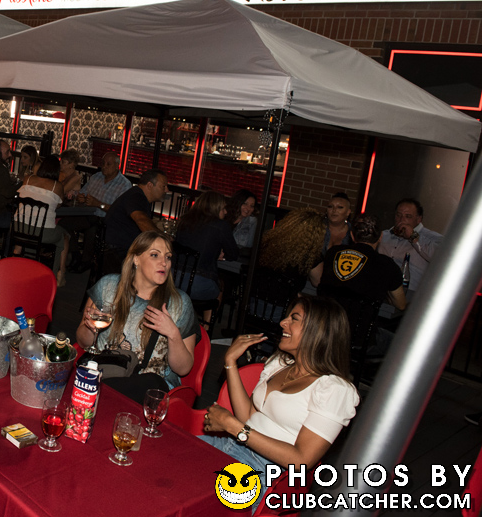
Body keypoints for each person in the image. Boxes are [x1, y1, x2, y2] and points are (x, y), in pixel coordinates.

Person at [202, 296, 360, 505]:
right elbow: (248, 417)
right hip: (230, 444)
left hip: (265, 471)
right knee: (170, 460)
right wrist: (230, 362)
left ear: (318, 330)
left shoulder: (334, 390)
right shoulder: (280, 364)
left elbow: (302, 460)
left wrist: (233, 427)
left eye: (294, 319)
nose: (283, 322)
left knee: (193, 498)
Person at [77, 231, 196, 398]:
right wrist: (90, 328)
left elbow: (183, 369)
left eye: (168, 257)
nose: (164, 263)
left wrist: (173, 334)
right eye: (155, 255)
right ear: (136, 259)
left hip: (148, 388)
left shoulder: (179, 303)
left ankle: (100, 392)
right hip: (107, 371)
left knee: (151, 382)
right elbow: (83, 342)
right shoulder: (108, 286)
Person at [311, 213, 407, 311]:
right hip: (360, 320)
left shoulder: (333, 253)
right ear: (380, 237)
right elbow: (401, 305)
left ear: (351, 235)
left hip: (325, 316)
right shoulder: (387, 265)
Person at [62, 151, 132, 273]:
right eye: (103, 163)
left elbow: (120, 210)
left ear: (117, 166)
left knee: (93, 229)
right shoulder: (96, 177)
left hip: (107, 220)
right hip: (88, 215)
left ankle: (86, 261)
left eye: (108, 164)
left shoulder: (124, 185)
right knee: (64, 223)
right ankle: (76, 254)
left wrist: (98, 204)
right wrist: (80, 197)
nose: (104, 166)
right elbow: (82, 193)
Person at [175, 190, 239, 305]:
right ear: (215, 208)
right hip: (197, 283)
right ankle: (206, 318)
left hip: (173, 279)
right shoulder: (221, 226)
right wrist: (219, 254)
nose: (225, 212)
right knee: (220, 286)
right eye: (223, 208)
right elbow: (233, 254)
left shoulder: (184, 220)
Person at [14, 155, 68, 286]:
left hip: (17, 227)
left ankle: (20, 263)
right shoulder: (57, 186)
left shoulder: (28, 179)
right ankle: (59, 274)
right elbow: (58, 204)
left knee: (31, 229)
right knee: (65, 236)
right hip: (41, 232)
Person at [103, 169, 168, 273]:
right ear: (150, 185)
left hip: (117, 248)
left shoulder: (136, 194)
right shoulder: (136, 196)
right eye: (163, 186)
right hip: (117, 252)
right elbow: (141, 220)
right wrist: (163, 239)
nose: (166, 190)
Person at [378, 198, 443, 297]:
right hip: (382, 290)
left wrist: (413, 237)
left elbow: (440, 257)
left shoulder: (433, 238)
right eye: (398, 215)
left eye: (408, 216)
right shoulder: (384, 236)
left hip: (412, 293)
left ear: (419, 219)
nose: (402, 220)